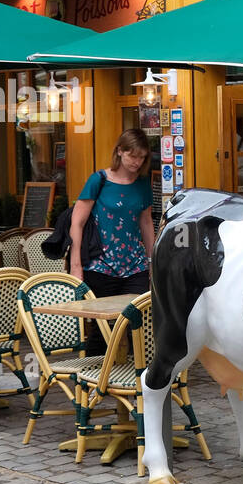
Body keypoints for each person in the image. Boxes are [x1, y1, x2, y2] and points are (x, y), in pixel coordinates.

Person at [70, 129, 155, 353]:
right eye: (132, 155)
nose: (137, 162)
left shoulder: (143, 182)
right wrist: (76, 266)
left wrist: (152, 261)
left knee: (137, 323)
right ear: (119, 151)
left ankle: (135, 381)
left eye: (142, 157)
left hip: (135, 265)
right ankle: (94, 382)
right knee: (102, 329)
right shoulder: (98, 180)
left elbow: (146, 222)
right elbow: (77, 223)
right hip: (100, 266)